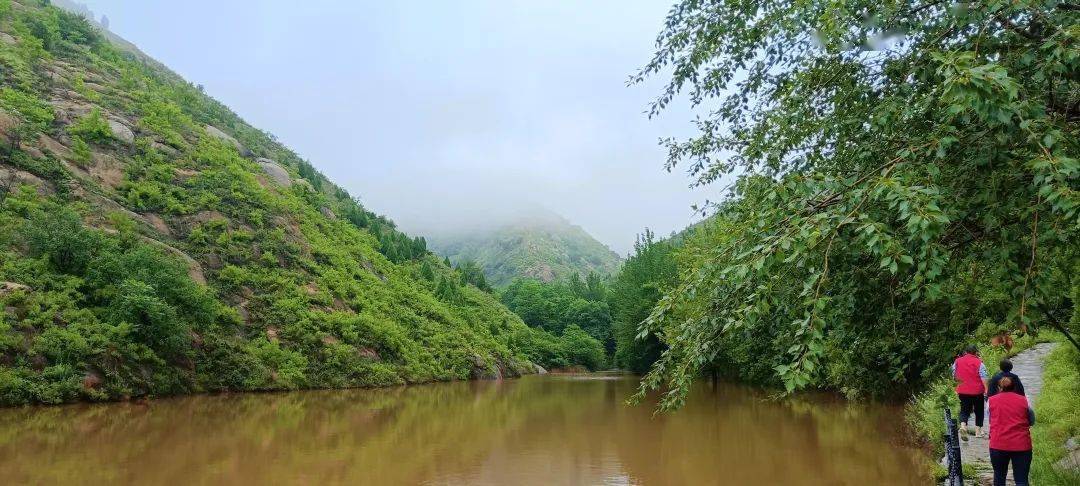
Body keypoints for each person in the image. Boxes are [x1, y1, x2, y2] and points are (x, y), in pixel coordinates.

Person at [988, 376, 1034, 486]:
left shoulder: (991, 401)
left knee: (999, 477)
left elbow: (990, 420)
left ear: (999, 388)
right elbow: (1031, 420)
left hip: (998, 444)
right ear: (1014, 387)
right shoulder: (1024, 400)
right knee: (1022, 479)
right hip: (1021, 444)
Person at [952, 345, 989, 439]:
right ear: (976, 352)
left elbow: (953, 374)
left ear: (966, 352)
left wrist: (957, 385)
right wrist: (986, 389)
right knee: (979, 410)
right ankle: (978, 432)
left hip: (963, 390)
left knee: (964, 409)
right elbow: (983, 377)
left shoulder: (957, 361)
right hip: (977, 391)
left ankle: (963, 426)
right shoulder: (979, 362)